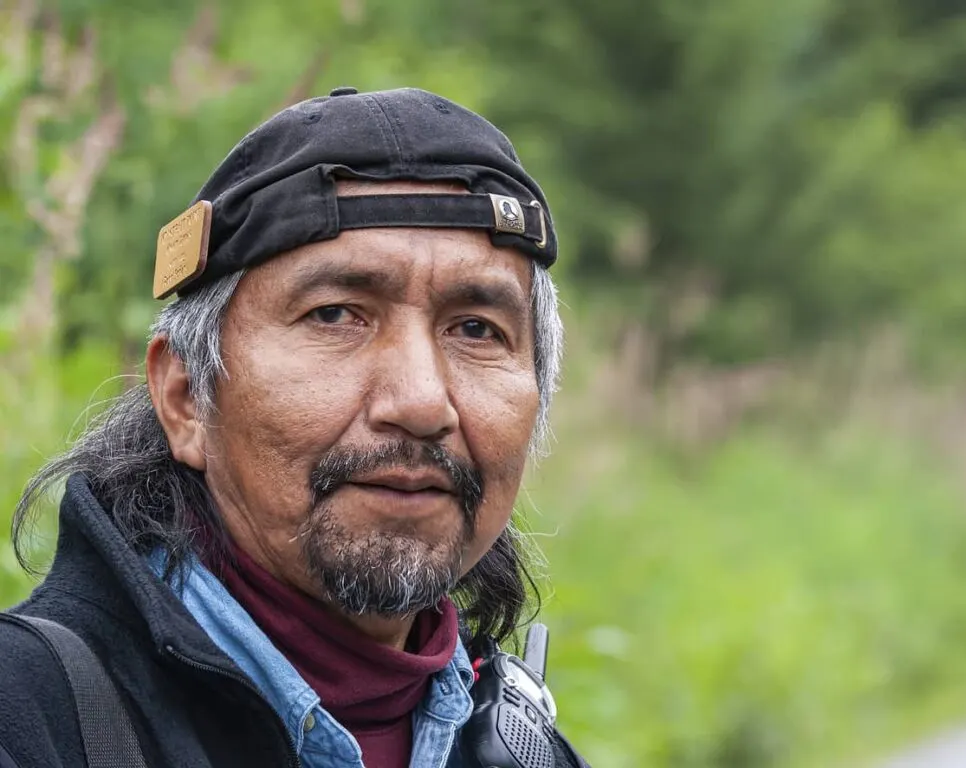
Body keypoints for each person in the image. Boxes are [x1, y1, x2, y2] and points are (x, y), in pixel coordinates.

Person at [0, 87, 585, 768]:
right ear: (187, 398)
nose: (422, 401)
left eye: (477, 329)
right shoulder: (32, 724)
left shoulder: (522, 746)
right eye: (336, 315)